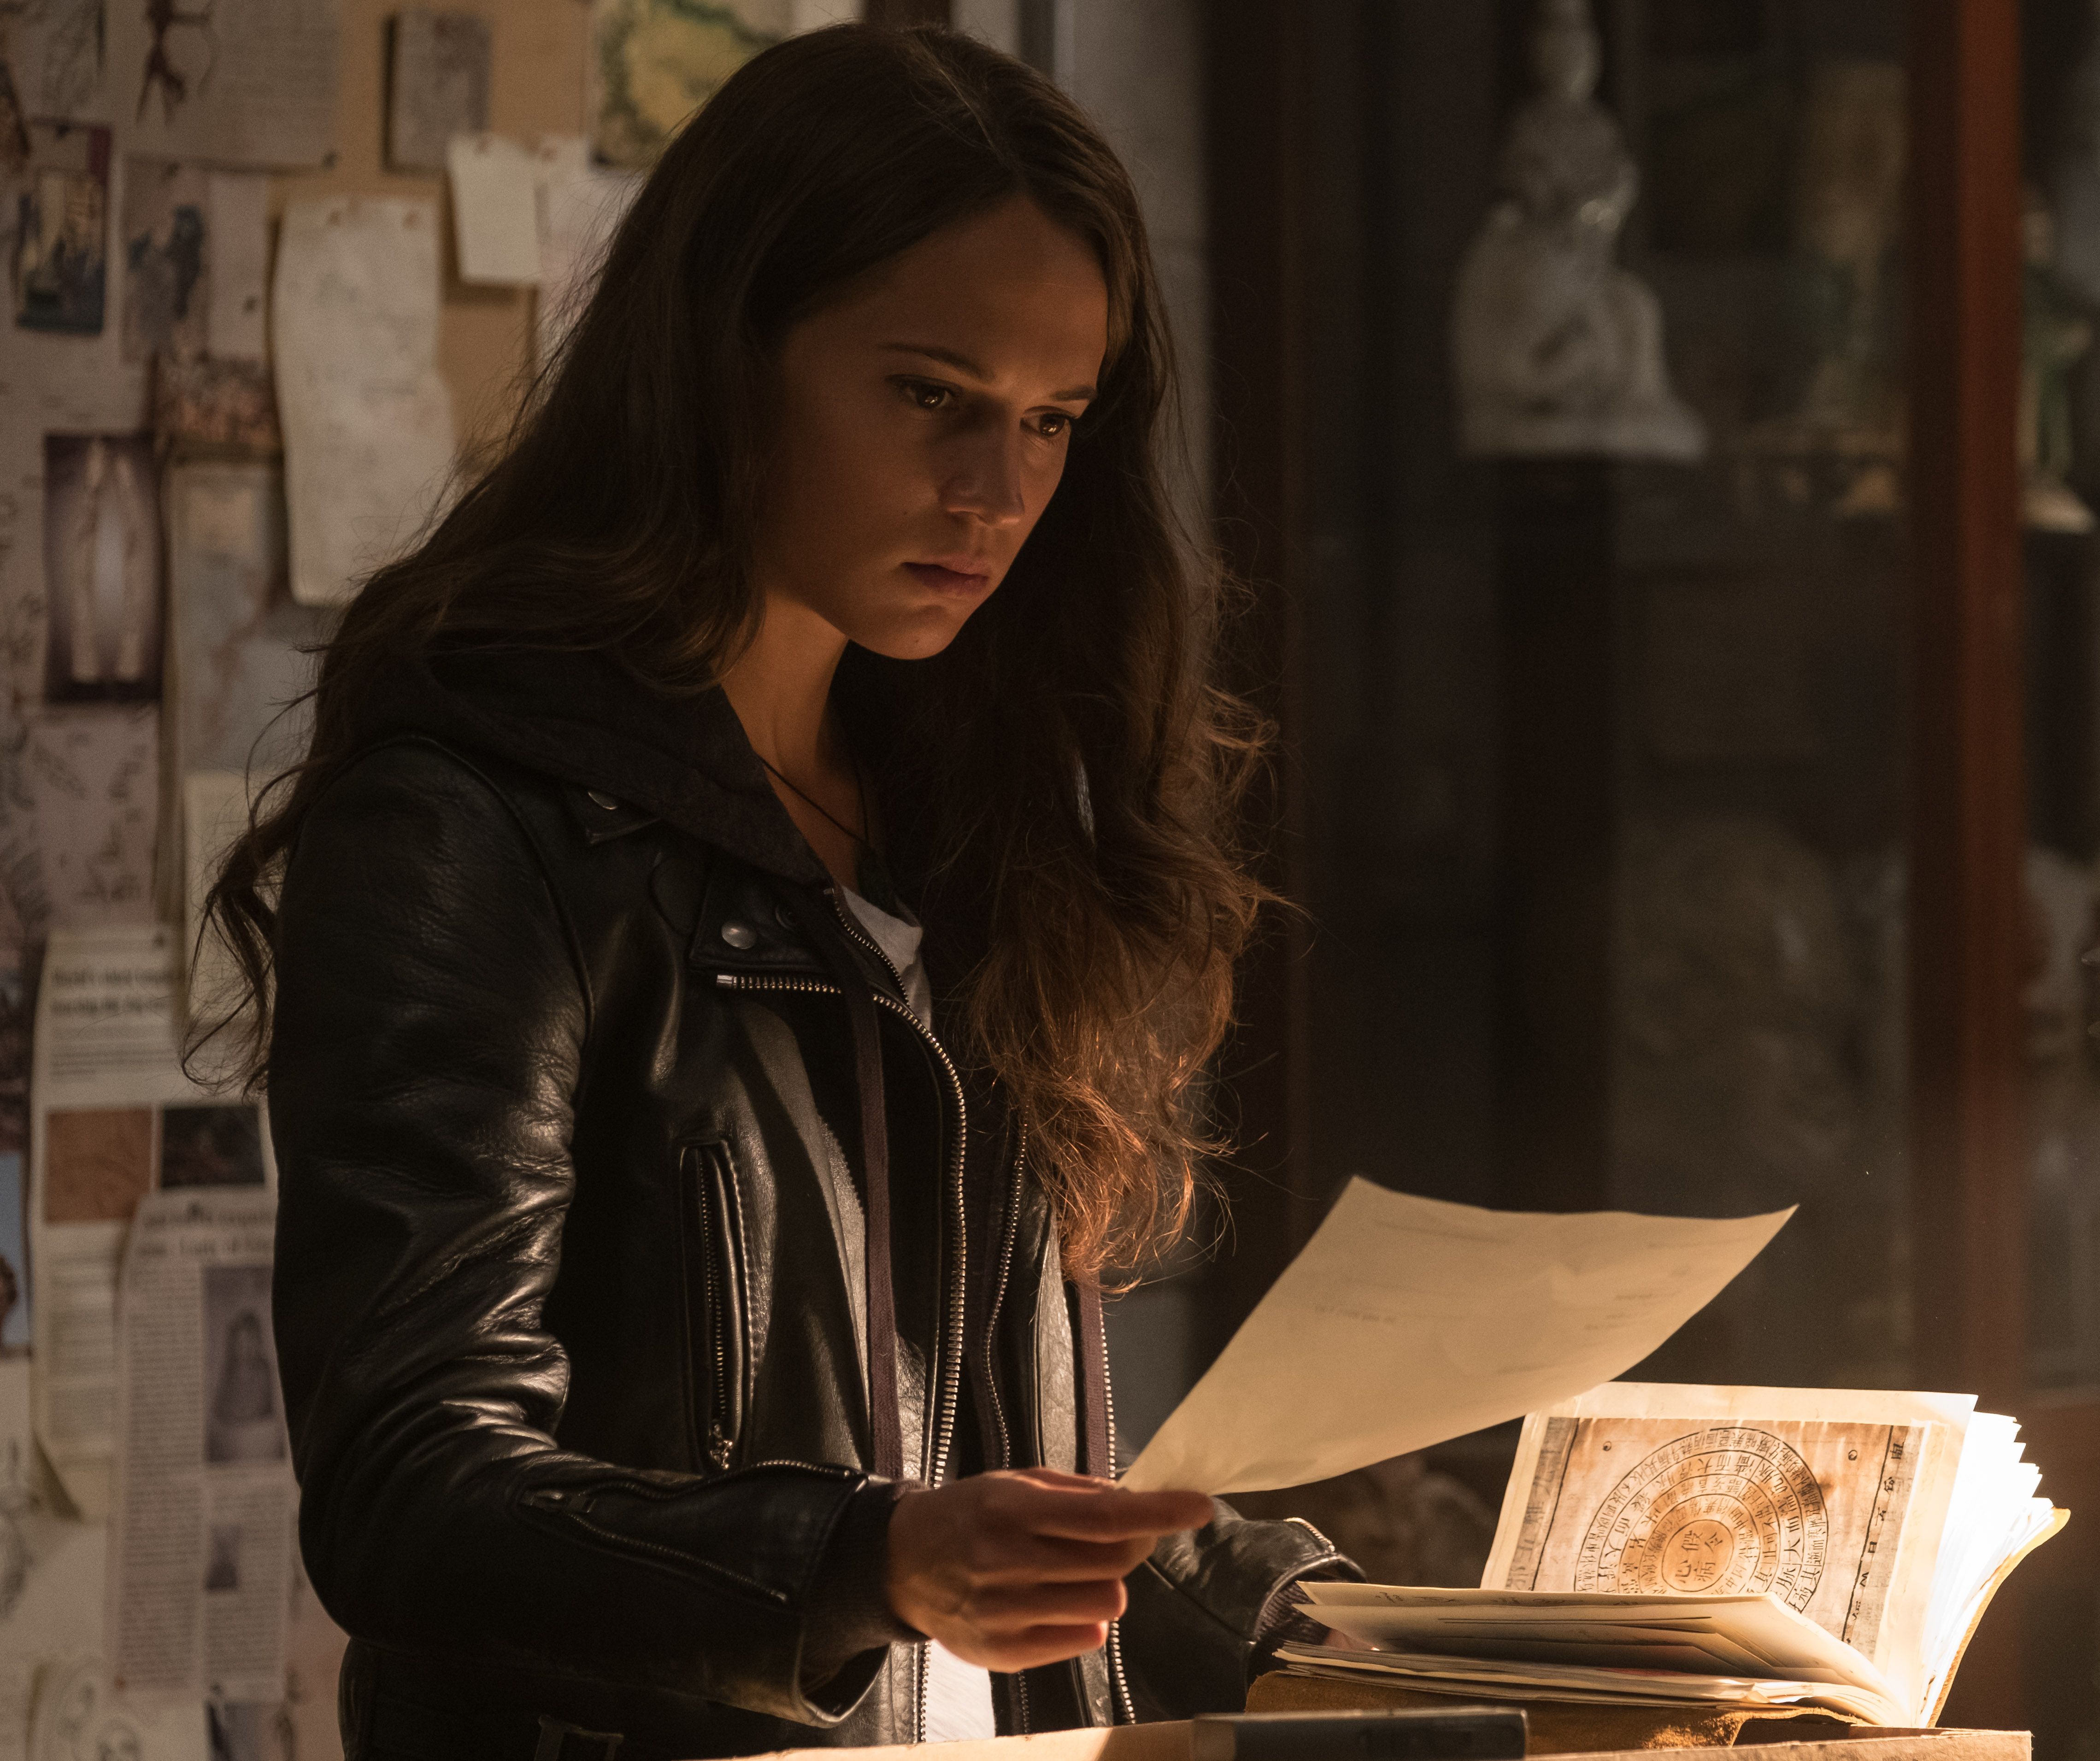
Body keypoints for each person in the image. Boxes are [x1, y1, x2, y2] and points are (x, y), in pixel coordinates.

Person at [204, 26, 1353, 1760]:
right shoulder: (478, 820)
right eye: (932, 395)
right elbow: (408, 1492)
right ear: (725, 356)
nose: (999, 493)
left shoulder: (966, 828)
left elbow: (1005, 1498)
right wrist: (864, 1563)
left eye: (1052, 422)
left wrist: (1394, 1629)